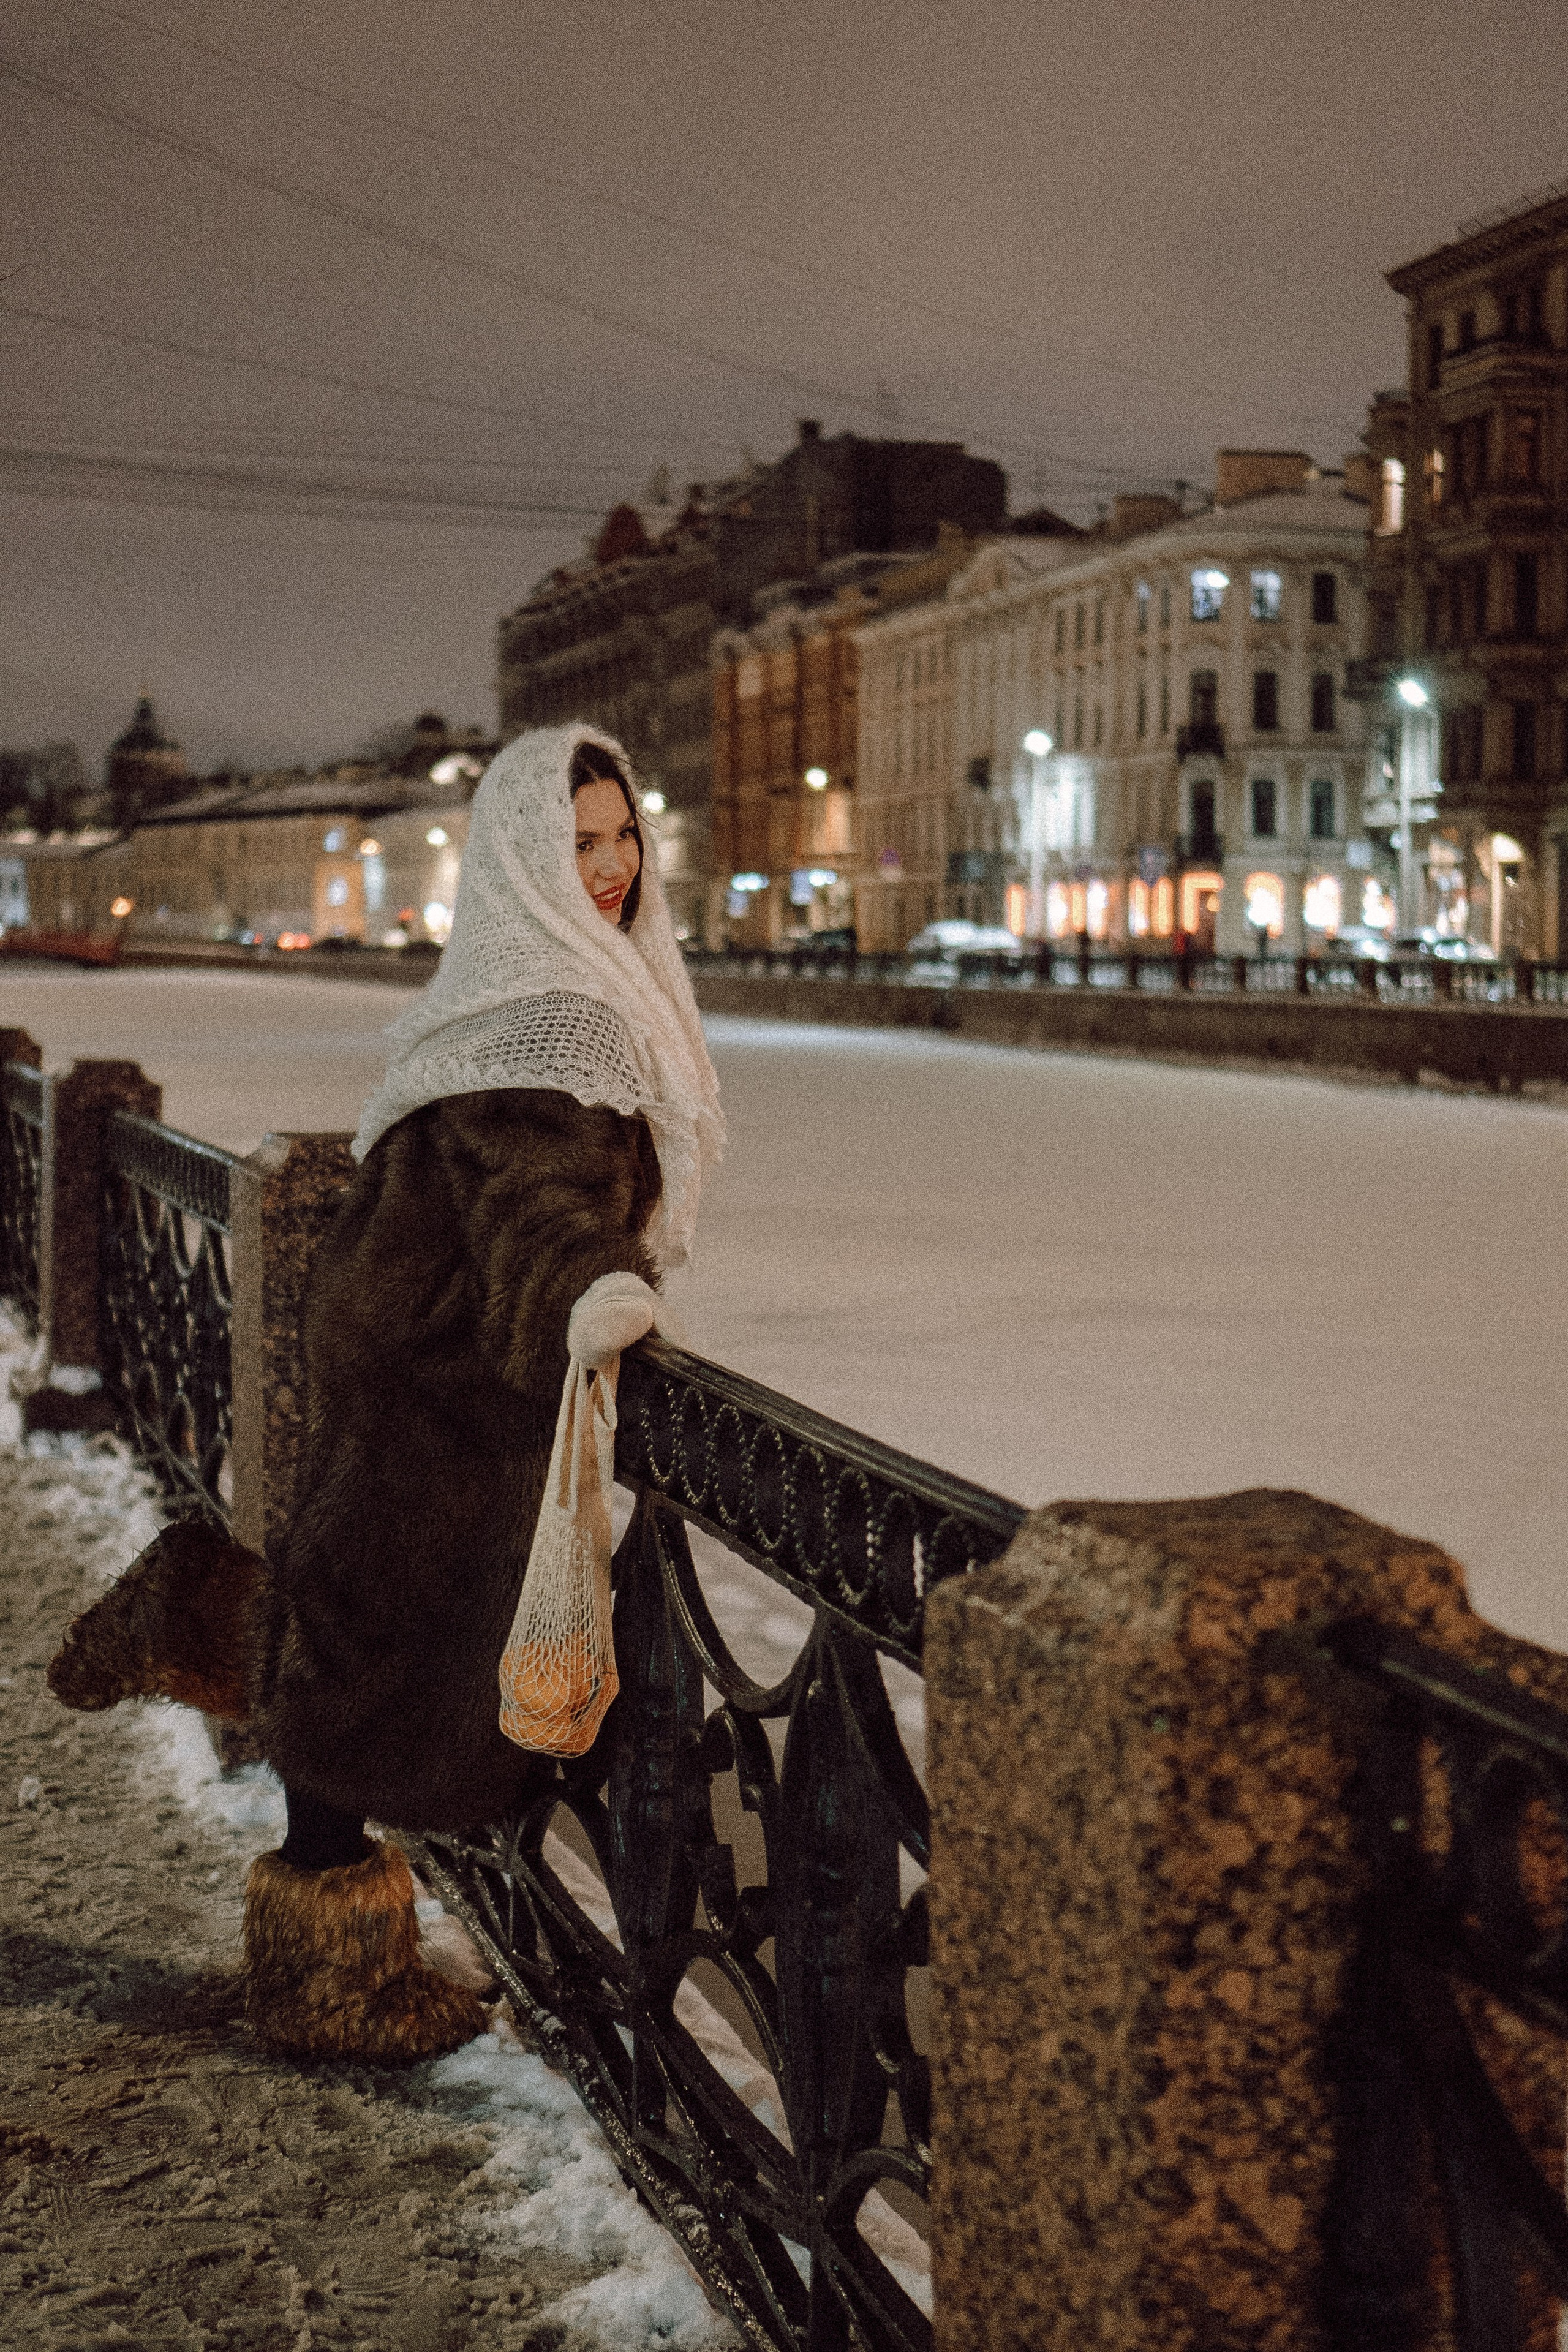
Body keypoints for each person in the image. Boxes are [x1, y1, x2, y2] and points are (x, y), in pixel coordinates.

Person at [48, 723, 723, 2062]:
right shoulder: (561, 1010)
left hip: (417, 1350)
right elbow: (533, 1190)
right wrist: (589, 1286)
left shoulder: (537, 976)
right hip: (451, 1380)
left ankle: (192, 1614)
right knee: (368, 1666)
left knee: (354, 1629)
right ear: (522, 855)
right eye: (575, 840)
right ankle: (333, 1984)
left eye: (621, 833)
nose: (608, 864)